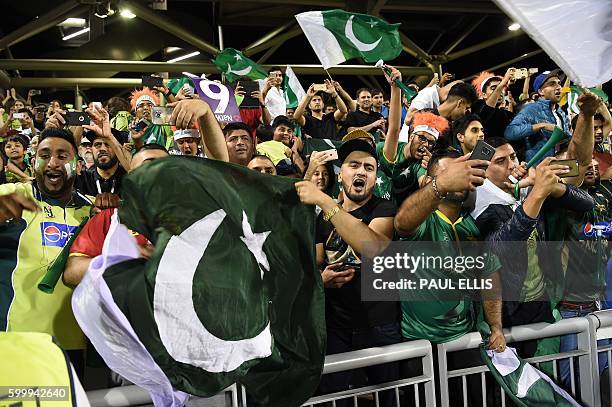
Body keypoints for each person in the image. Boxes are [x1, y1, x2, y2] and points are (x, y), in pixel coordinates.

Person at [295, 138, 399, 407]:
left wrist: (324, 201)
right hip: (337, 326)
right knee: (334, 398)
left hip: (380, 323)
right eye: (354, 165)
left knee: (390, 396)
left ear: (375, 178)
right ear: (341, 173)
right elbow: (316, 263)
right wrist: (322, 281)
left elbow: (373, 248)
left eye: (369, 167)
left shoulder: (384, 209)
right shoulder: (322, 219)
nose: (361, 171)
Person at [394, 151, 504, 407]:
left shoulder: (471, 227)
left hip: (465, 342)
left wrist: (496, 326)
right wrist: (440, 184)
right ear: (429, 181)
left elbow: (489, 277)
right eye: (447, 174)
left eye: (459, 173)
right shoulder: (423, 222)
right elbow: (402, 223)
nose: (456, 179)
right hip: (421, 348)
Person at [472, 137, 594, 357]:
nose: (511, 165)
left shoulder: (521, 191)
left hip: (542, 301)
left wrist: (552, 187)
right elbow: (503, 248)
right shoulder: (479, 203)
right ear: (483, 168)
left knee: (549, 374)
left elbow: (586, 203)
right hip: (507, 312)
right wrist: (538, 192)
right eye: (500, 161)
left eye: (513, 157)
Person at [0, 127, 94, 353]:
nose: (52, 163)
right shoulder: (12, 195)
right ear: (34, 164)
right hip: (17, 340)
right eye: (44, 156)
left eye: (62, 156)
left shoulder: (94, 210)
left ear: (78, 166)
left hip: (76, 343)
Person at [557, 159, 611, 388]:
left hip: (597, 301)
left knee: (601, 370)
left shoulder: (602, 199)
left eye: (594, 164)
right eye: (583, 164)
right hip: (568, 305)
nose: (592, 167)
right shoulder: (557, 207)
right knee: (567, 377)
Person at [504, 69, 570, 164]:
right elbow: (510, 132)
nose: (558, 87)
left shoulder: (561, 112)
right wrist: (541, 126)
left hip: (559, 166)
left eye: (559, 83)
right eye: (552, 84)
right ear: (541, 91)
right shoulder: (531, 109)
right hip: (538, 169)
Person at [470, 69, 516, 139]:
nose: (500, 91)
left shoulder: (504, 113)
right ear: (484, 94)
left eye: (502, 89)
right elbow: (486, 111)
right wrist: (501, 85)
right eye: (493, 88)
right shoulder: (477, 106)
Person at [405, 80, 477, 123]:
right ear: (459, 102)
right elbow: (409, 118)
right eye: (466, 108)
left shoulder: (445, 113)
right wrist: (435, 114)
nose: (465, 113)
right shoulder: (427, 94)